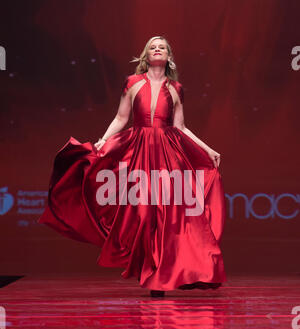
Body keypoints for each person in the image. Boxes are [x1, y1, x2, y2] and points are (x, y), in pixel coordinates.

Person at [38, 35, 227, 298]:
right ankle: (150, 269)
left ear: (169, 56)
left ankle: (162, 273)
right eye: (153, 47)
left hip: (167, 152)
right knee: (142, 211)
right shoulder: (133, 83)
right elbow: (121, 117)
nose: (158, 50)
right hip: (139, 149)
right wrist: (103, 141)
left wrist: (208, 149)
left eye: (162, 47)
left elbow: (181, 127)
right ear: (146, 56)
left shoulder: (176, 88)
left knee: (168, 212)